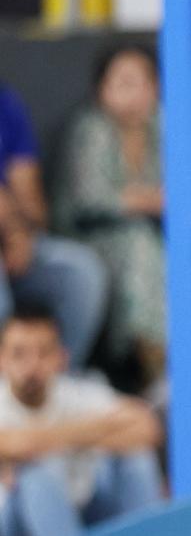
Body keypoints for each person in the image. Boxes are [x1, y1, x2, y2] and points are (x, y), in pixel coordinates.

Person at [0, 308, 163, 536]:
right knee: (32, 477)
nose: (32, 366)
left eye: (43, 352)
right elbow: (15, 445)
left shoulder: (78, 393)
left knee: (136, 459)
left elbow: (147, 427)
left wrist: (46, 442)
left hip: (85, 510)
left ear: (61, 358)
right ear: (2, 360)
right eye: (19, 353)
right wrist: (92, 432)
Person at [53, 43, 166, 385]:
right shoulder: (92, 128)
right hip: (89, 236)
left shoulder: (165, 126)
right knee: (139, 245)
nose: (133, 94)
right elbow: (92, 200)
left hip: (155, 237)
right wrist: (150, 200)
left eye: (141, 82)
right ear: (102, 89)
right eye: (122, 83)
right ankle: (152, 363)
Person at [0, 81, 107, 368]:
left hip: (12, 240)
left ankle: (53, 385)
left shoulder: (5, 103)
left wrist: (20, 233)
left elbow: (30, 198)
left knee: (79, 273)